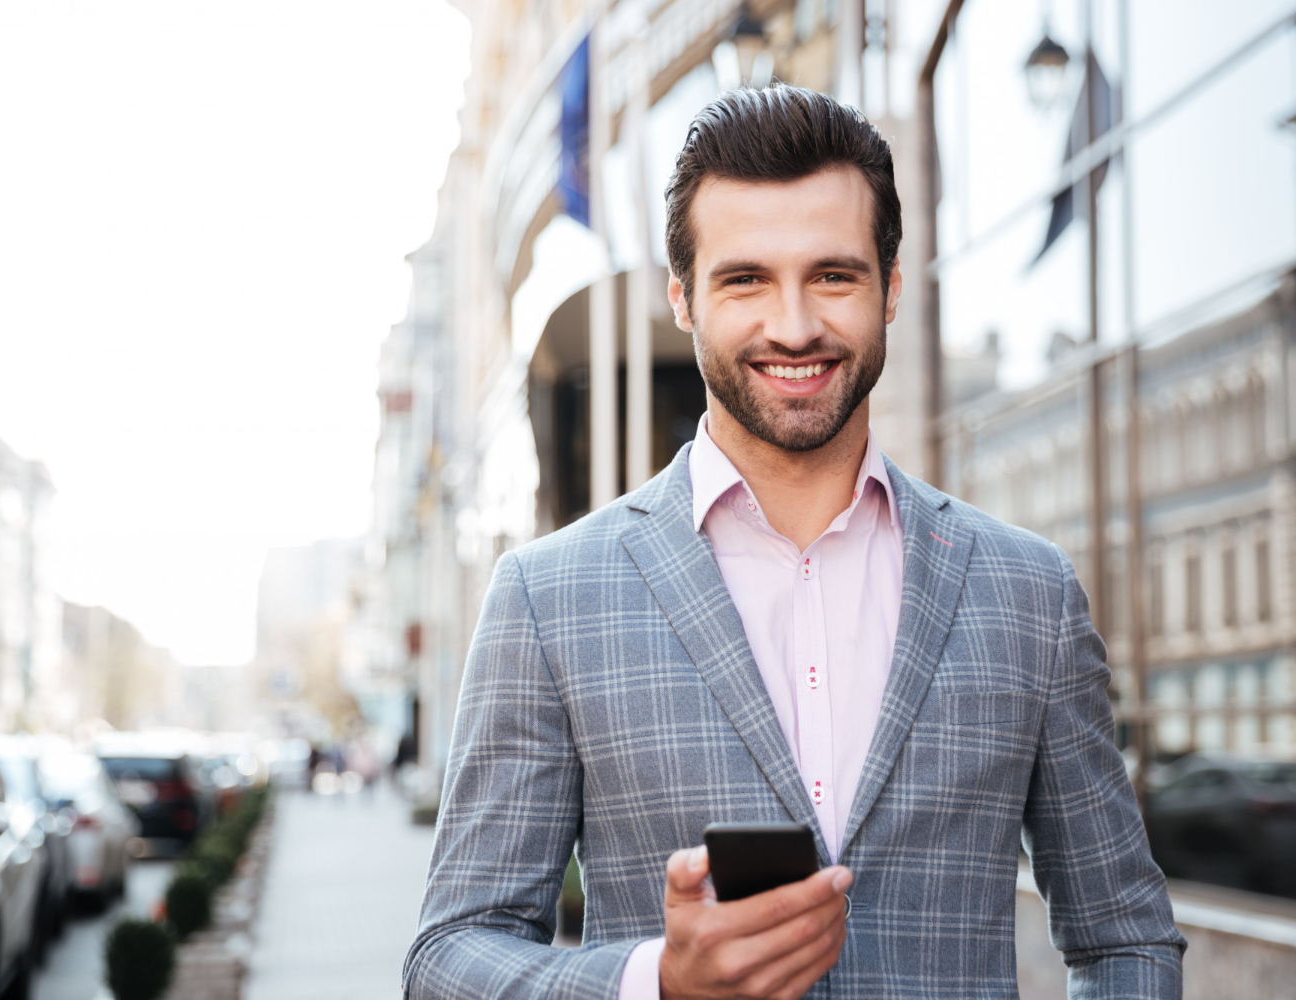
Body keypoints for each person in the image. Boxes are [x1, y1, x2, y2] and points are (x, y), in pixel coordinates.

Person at [404, 84, 1185, 999]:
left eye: (833, 274)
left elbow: (1125, 935)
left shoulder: (1029, 593)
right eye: (746, 279)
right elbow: (449, 958)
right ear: (682, 298)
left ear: (890, 289)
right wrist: (654, 981)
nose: (795, 325)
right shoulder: (548, 597)